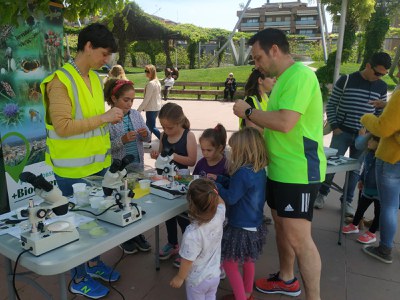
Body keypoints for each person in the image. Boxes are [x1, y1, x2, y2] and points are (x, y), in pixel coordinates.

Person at [233, 28, 326, 299]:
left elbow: (285, 123)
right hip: (279, 169)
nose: (257, 64)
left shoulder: (301, 75)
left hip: (298, 172)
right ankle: (286, 278)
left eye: (258, 57)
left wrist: (250, 111)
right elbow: (274, 128)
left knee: (300, 239)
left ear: (275, 50)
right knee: (283, 229)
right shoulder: (282, 80)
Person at [40, 23, 122, 299]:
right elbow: (63, 126)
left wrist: (107, 117)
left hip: (97, 167)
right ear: (87, 46)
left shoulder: (95, 79)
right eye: (103, 53)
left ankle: (94, 264)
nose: (106, 60)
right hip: (72, 172)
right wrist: (104, 118)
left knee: (94, 223)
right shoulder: (59, 81)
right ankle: (77, 278)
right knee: (73, 225)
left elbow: (92, 120)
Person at [314, 52, 392, 216]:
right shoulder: (346, 80)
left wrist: (371, 133)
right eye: (377, 73)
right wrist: (335, 126)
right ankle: (321, 195)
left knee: (355, 170)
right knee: (331, 166)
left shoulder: (382, 86)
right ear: (368, 65)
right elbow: (332, 104)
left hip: (364, 136)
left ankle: (347, 201)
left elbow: (380, 112)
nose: (379, 77)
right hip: (342, 131)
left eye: (383, 75)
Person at [213, 127, 268, 300]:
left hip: (240, 225)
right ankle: (247, 292)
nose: (231, 152)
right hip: (255, 223)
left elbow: (231, 198)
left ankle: (240, 297)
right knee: (249, 260)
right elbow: (241, 188)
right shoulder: (258, 170)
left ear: (243, 150)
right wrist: (221, 179)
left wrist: (216, 186)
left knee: (229, 263)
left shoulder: (242, 173)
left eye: (234, 149)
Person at [104, 78, 152, 254]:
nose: (130, 104)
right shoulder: (106, 120)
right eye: (126, 100)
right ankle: (126, 238)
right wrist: (122, 140)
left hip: (137, 166)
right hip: (119, 170)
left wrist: (145, 134)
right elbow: (105, 148)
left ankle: (138, 234)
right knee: (122, 202)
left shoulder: (136, 115)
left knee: (136, 200)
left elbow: (147, 139)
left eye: (132, 100)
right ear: (114, 98)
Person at [361, 60, 400, 264]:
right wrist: (387, 105)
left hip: (393, 158)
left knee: (389, 206)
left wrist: (366, 118)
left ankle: (385, 249)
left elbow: (384, 128)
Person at [150, 102, 197, 266]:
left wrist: (173, 156)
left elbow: (191, 160)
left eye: (169, 127)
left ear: (179, 122)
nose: (166, 130)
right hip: (166, 179)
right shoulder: (164, 135)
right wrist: (158, 156)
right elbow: (163, 155)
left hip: (182, 180)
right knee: (167, 215)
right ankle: (172, 243)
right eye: (163, 126)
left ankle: (187, 249)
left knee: (183, 217)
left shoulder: (188, 136)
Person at [170, 178, 225, 300]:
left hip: (197, 281)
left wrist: (180, 277)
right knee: (211, 297)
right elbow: (221, 203)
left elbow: (188, 260)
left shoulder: (192, 233)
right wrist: (214, 192)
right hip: (214, 275)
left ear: (191, 206)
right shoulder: (219, 215)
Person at [342, 134, 380, 244]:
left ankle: (372, 233)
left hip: (379, 190)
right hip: (367, 187)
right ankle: (354, 225)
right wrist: (361, 180)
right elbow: (366, 169)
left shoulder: (382, 158)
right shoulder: (369, 153)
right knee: (360, 207)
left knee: (378, 212)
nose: (369, 141)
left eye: (373, 140)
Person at [137, 64, 162, 143]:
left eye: (148, 71)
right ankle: (148, 141)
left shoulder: (151, 84)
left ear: (152, 72)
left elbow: (147, 99)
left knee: (151, 126)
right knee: (148, 126)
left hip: (151, 108)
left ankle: (164, 141)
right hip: (156, 107)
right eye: (145, 71)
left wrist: (138, 110)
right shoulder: (157, 82)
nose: (146, 73)